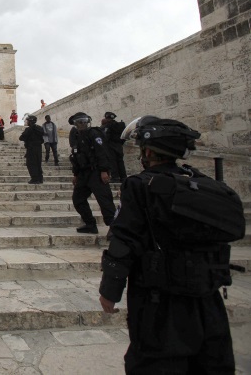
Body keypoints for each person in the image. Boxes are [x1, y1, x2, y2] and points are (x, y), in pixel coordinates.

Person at [99, 115, 244, 374]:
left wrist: (110, 290)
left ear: (149, 151)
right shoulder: (205, 184)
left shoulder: (140, 185)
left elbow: (124, 240)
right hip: (208, 300)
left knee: (153, 363)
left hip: (160, 300)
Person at [68, 112, 115, 233]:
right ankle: (90, 224)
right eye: (80, 122)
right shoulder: (77, 136)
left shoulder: (94, 133)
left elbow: (102, 152)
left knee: (104, 200)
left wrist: (104, 170)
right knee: (78, 199)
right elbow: (76, 156)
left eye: (84, 121)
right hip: (84, 174)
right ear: (76, 124)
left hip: (96, 172)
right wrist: (76, 174)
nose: (82, 124)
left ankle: (114, 228)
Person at [101, 111, 127, 183]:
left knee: (112, 161)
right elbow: (124, 136)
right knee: (120, 161)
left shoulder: (107, 126)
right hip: (119, 146)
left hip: (110, 146)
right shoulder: (120, 125)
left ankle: (115, 177)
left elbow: (106, 137)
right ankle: (123, 177)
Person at [19, 115, 44, 184]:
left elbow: (21, 137)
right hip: (38, 148)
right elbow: (42, 137)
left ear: (30, 121)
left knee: (30, 163)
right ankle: (40, 178)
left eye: (28, 120)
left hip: (31, 148)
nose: (27, 122)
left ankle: (35, 178)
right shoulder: (39, 128)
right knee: (38, 163)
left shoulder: (29, 129)